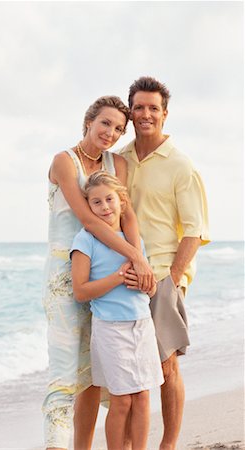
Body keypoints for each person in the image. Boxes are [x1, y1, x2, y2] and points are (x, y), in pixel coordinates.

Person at [42, 95, 155, 450]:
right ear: (88, 121)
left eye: (119, 128)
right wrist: (136, 259)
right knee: (64, 378)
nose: (110, 132)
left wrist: (138, 260)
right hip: (68, 279)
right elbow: (89, 220)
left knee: (92, 379)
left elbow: (128, 215)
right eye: (105, 123)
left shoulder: (116, 163)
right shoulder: (64, 161)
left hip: (110, 277)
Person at [119, 76, 210, 450]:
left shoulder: (180, 165)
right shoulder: (120, 158)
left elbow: (195, 230)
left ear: (165, 114)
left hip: (163, 278)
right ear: (130, 111)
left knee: (166, 365)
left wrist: (171, 281)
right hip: (123, 278)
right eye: (138, 107)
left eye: (153, 108)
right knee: (127, 373)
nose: (145, 114)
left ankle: (168, 445)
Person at [70, 171, 164, 450]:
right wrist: (118, 277)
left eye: (109, 199)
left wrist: (146, 285)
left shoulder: (134, 241)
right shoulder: (85, 240)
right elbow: (80, 291)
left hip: (142, 324)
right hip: (111, 328)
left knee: (143, 397)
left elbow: (151, 289)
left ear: (121, 201)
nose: (104, 207)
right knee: (122, 399)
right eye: (96, 203)